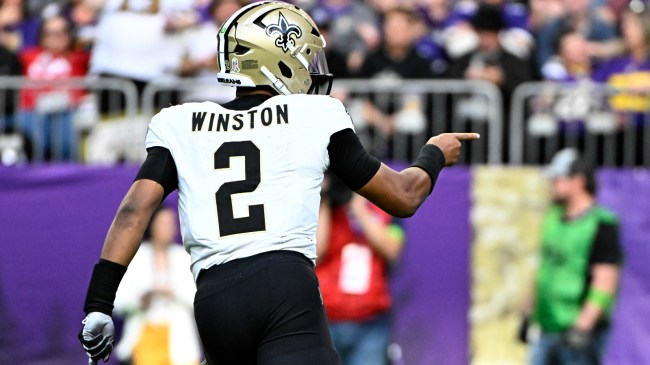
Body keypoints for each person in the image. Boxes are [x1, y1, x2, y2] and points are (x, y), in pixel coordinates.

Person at [77, 2, 479, 365]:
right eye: (303, 54)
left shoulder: (179, 121)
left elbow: (134, 209)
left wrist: (99, 303)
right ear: (276, 59)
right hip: (284, 287)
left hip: (214, 298)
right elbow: (403, 196)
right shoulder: (314, 114)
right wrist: (434, 154)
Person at [525, 148, 623, 365]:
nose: (552, 184)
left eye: (557, 179)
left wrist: (582, 327)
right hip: (546, 327)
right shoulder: (553, 217)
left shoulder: (601, 224)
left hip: (577, 333)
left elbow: (605, 281)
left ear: (578, 181)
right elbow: (544, 268)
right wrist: (527, 312)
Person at [316, 174, 404, 365]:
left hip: (370, 325)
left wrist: (357, 206)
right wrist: (324, 199)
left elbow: (392, 249)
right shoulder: (326, 209)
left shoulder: (385, 208)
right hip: (325, 322)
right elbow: (316, 252)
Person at [113, 206, 201, 365]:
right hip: (145, 340)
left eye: (170, 223)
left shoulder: (184, 257)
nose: (167, 228)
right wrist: (140, 300)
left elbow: (198, 299)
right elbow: (117, 301)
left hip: (180, 341)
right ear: (151, 225)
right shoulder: (135, 258)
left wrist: (173, 293)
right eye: (162, 223)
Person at [18, 14, 90, 161]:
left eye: (59, 33)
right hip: (32, 112)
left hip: (66, 113)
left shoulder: (80, 58)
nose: (54, 38)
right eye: (48, 33)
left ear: (69, 35)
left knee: (66, 139)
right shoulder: (28, 56)